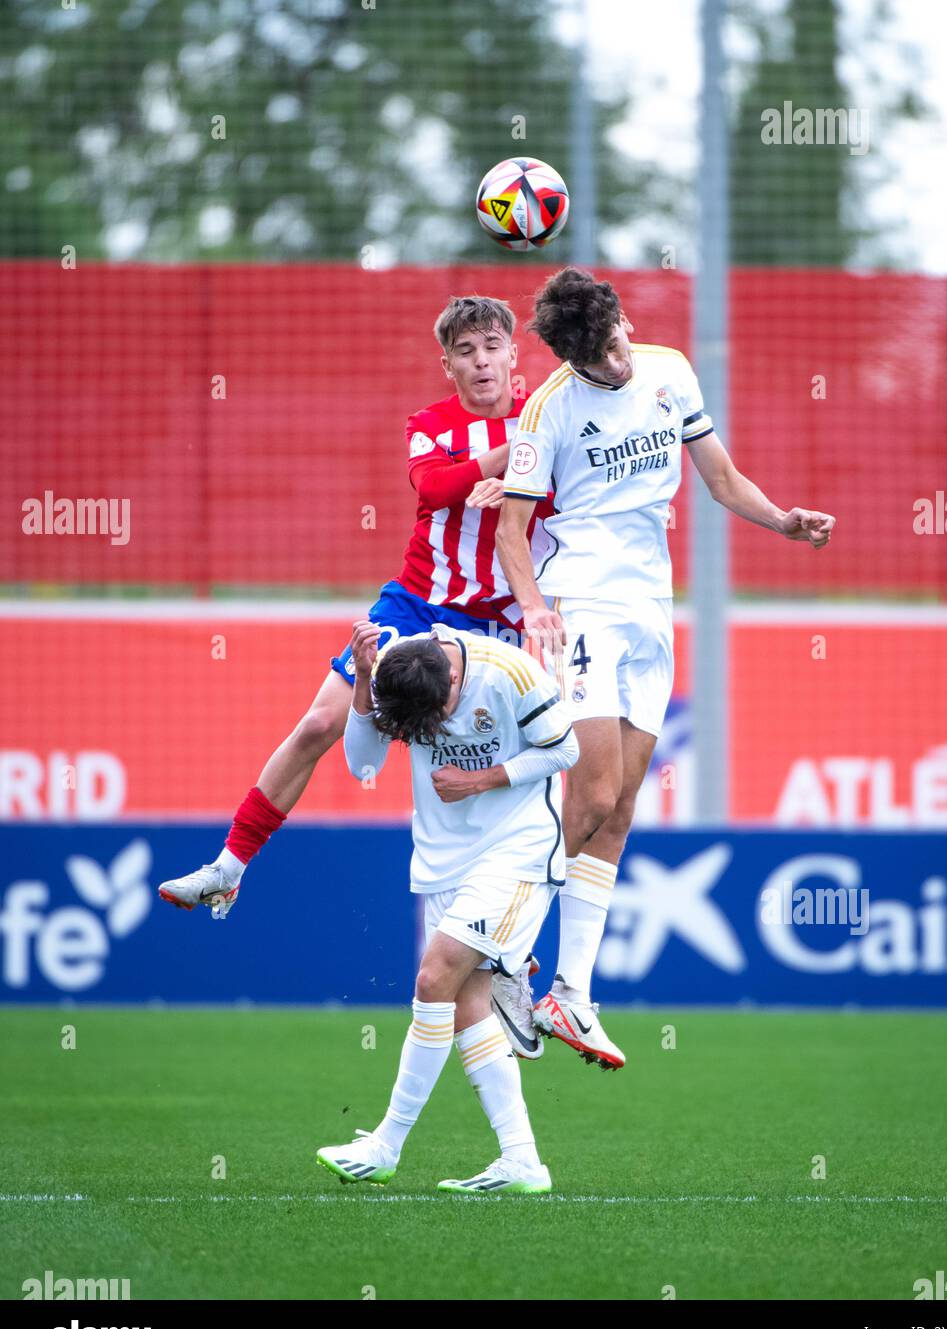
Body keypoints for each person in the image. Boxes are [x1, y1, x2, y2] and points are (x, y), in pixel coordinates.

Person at [496, 267, 836, 1070]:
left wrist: (783, 520)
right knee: (596, 790)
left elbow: (720, 480)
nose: (615, 363)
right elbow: (514, 534)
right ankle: (501, 948)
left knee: (621, 810)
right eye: (596, 357)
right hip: (583, 604)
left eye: (616, 343)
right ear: (569, 357)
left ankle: (571, 994)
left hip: (651, 608)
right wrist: (537, 607)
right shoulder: (548, 410)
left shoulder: (671, 369)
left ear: (623, 320)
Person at [156, 294, 549, 921]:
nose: (481, 362)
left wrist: (531, 475)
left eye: (492, 347)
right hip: (415, 604)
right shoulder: (432, 425)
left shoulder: (544, 417)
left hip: (495, 625)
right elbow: (436, 485)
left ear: (513, 352)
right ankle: (227, 869)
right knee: (317, 724)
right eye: (466, 351)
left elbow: (562, 505)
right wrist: (522, 457)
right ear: (448, 364)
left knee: (496, 776)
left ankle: (503, 939)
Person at [316, 617, 577, 1194]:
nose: (433, 730)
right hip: (442, 861)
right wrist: (361, 682)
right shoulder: (393, 670)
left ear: (455, 678)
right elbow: (363, 766)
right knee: (466, 1006)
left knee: (433, 980)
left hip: (519, 849)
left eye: (438, 718)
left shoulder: (510, 671)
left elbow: (566, 749)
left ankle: (386, 1144)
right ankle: (522, 1162)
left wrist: (484, 778)